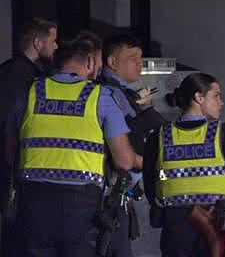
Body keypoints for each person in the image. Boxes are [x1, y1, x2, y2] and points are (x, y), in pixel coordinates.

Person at [6, 33, 140, 256]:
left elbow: (9, 154)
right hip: (81, 206)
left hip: (32, 202)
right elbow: (124, 161)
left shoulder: (28, 93)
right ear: (89, 62)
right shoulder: (101, 97)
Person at [144, 73, 225, 257]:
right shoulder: (224, 135)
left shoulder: (158, 137)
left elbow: (152, 183)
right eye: (216, 96)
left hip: (175, 229)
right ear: (199, 97)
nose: (221, 102)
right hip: (215, 226)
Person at [97, 34, 166, 257]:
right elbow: (128, 147)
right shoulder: (111, 94)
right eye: (132, 57)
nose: (140, 63)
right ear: (112, 62)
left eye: (141, 58)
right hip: (112, 191)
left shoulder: (121, 93)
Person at [0, 17, 58, 256]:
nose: (56, 47)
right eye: (53, 41)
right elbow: (10, 126)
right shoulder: (25, 79)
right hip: (14, 171)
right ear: (37, 43)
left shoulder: (8, 70)